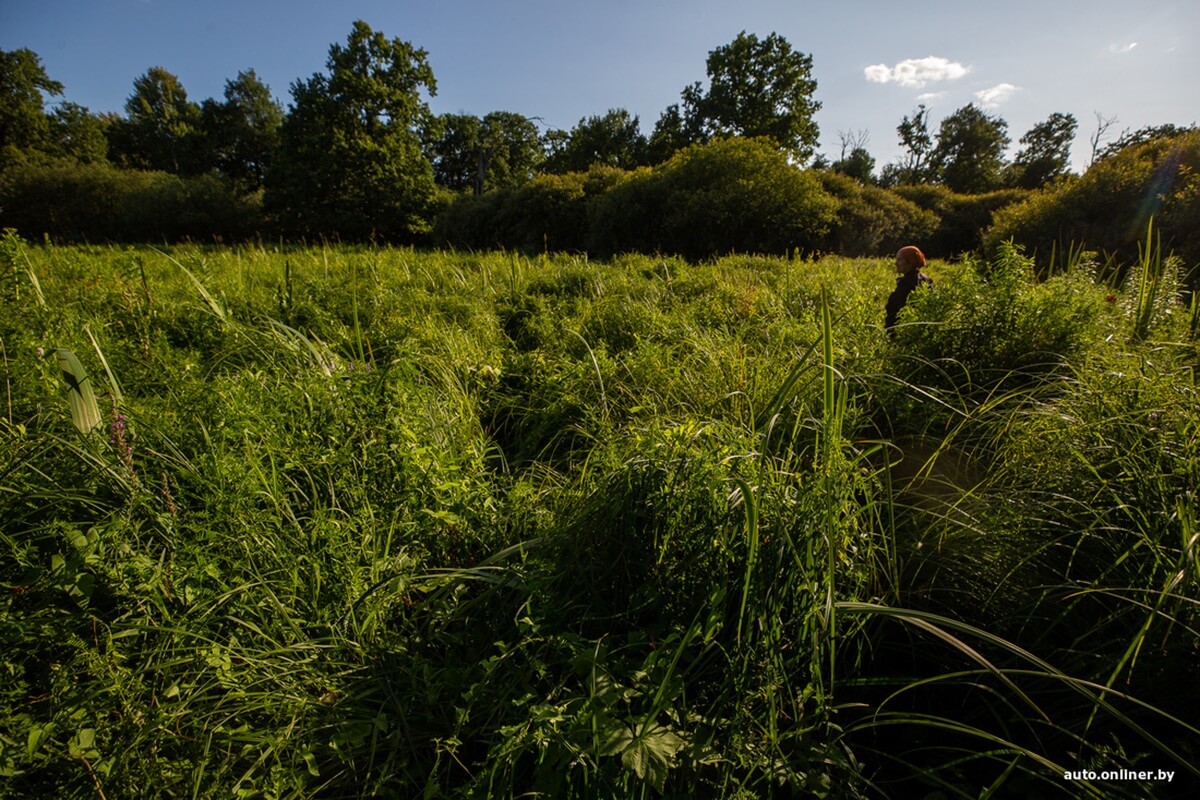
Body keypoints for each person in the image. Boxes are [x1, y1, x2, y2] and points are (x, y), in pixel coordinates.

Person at [885, 245, 933, 336]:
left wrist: (892, 334)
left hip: (904, 334)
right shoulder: (927, 280)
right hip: (924, 333)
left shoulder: (906, 284)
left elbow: (898, 312)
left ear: (910, 262)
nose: (896, 263)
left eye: (899, 260)